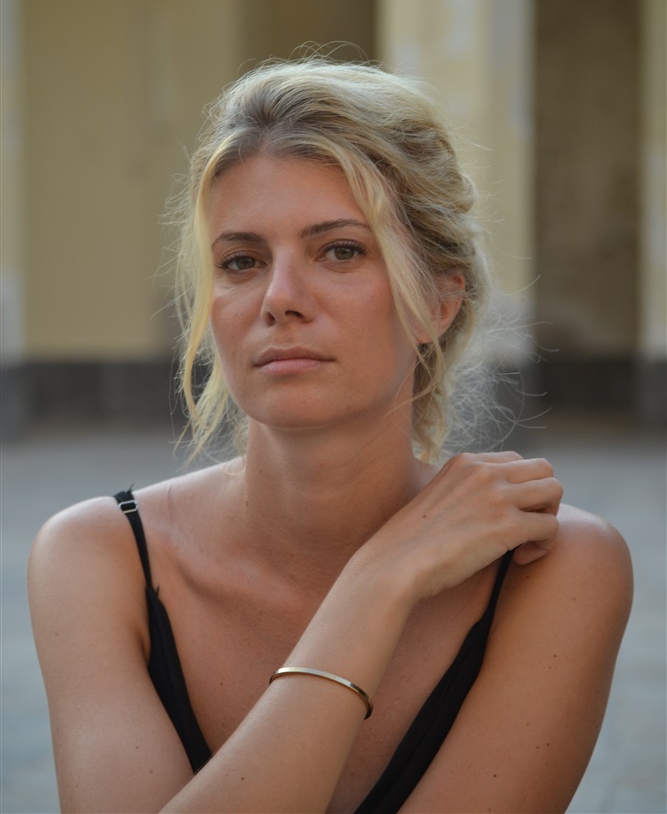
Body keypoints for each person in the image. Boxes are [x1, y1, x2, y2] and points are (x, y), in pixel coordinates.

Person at [28, 58, 632, 814]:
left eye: (340, 250)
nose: (279, 298)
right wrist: (377, 583)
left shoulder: (553, 565)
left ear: (437, 301)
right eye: (242, 261)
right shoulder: (98, 557)